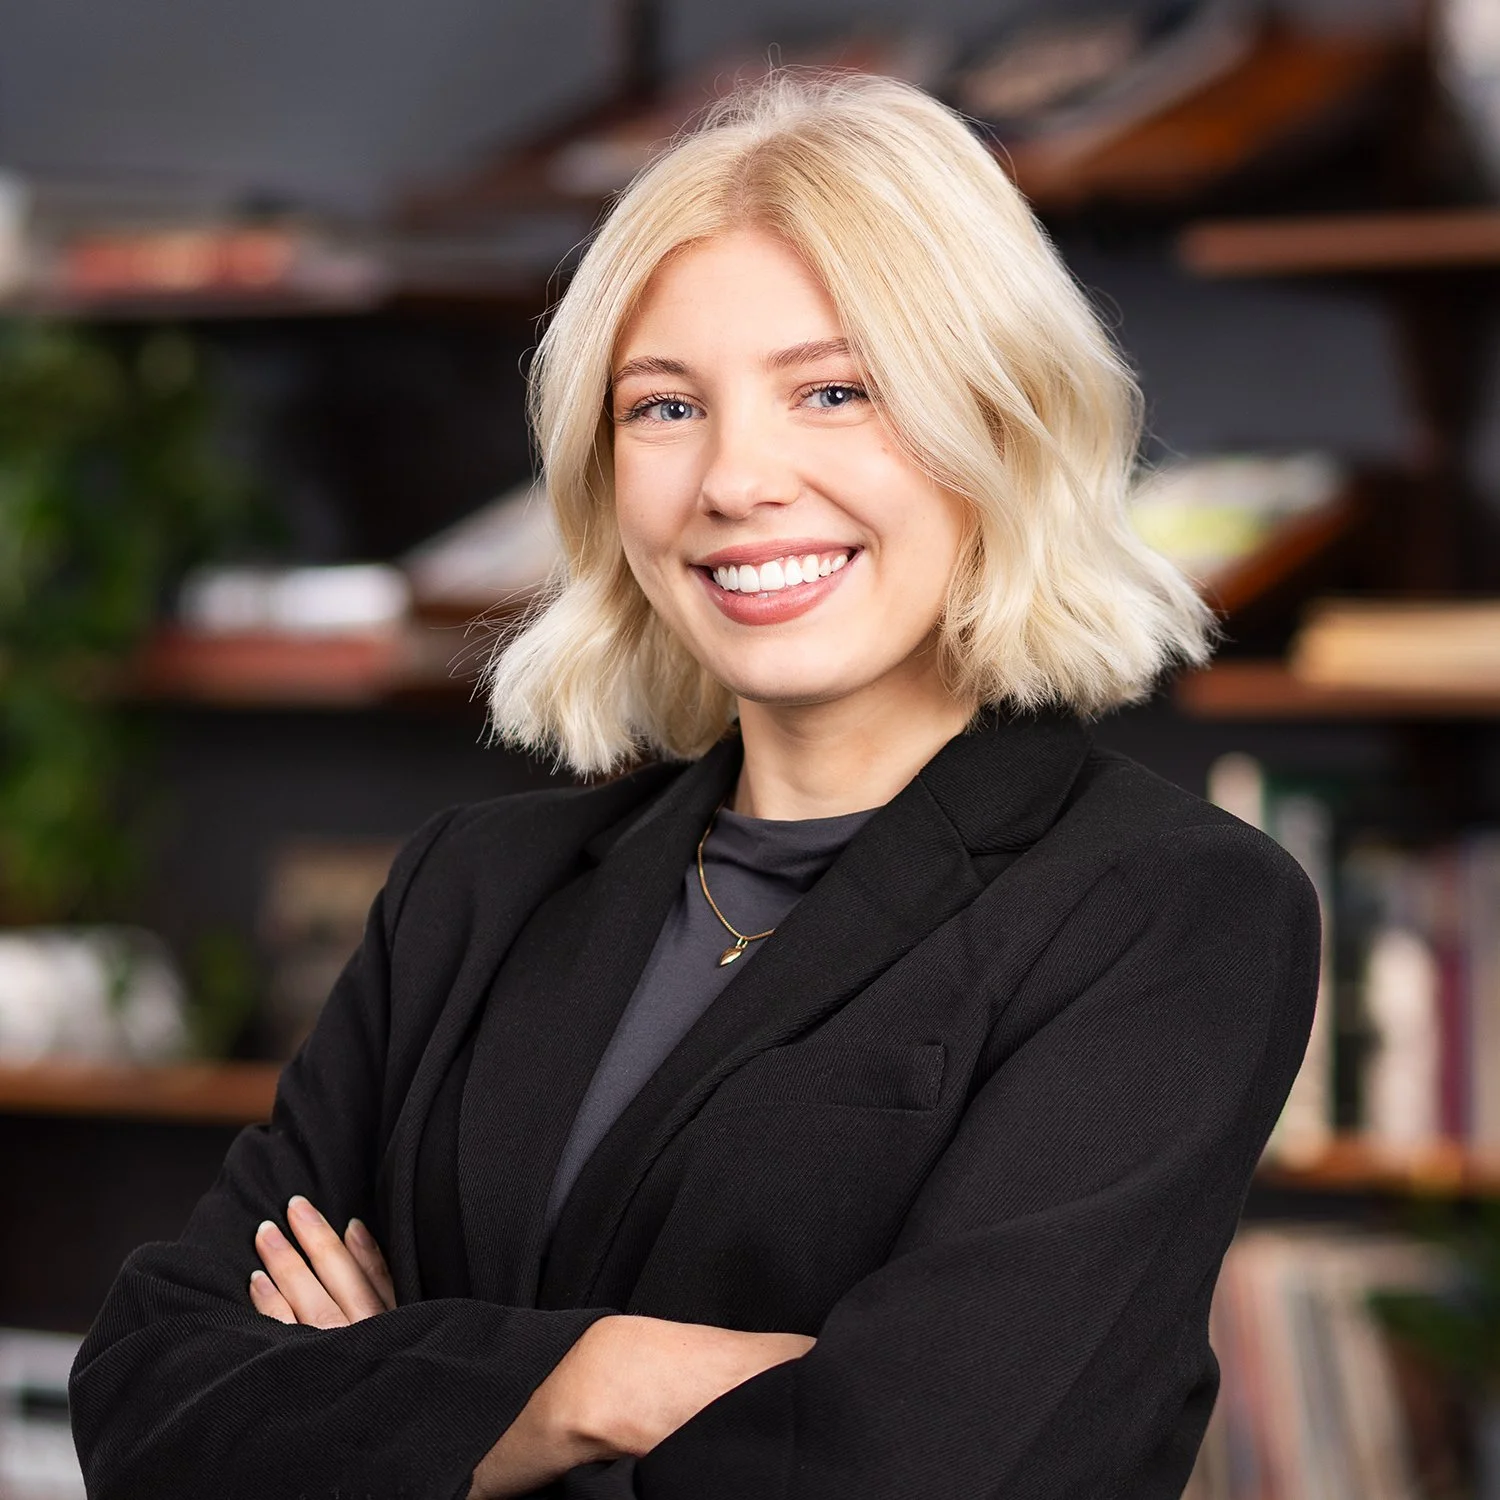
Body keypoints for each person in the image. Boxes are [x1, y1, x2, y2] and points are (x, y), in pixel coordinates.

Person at [69, 70, 1321, 1500]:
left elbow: (916, 1474)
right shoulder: (474, 889)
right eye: (664, 408)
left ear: (999, 423)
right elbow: (147, 1403)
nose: (737, 480)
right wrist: (602, 1384)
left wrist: (403, 1394)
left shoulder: (1170, 915)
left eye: (835, 390)